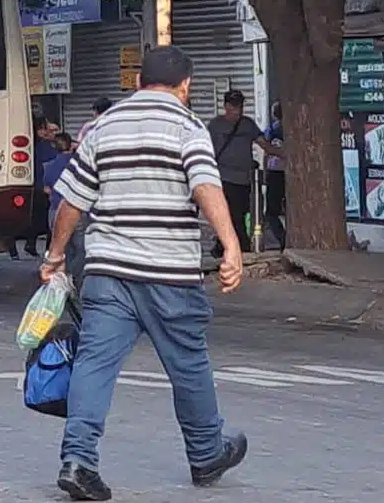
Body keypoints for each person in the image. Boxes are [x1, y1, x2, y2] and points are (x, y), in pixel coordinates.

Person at [45, 46, 247, 501]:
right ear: (186, 85)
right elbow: (205, 186)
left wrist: (55, 255)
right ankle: (206, 452)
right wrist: (231, 245)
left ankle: (78, 461)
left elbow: (71, 201)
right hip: (169, 274)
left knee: (95, 364)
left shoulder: (104, 127)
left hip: (109, 271)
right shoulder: (187, 127)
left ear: (137, 82)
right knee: (188, 363)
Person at [206, 90, 276, 258]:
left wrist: (283, 153)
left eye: (241, 106)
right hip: (222, 178)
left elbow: (264, 144)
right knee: (230, 214)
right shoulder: (215, 126)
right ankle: (240, 247)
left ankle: (224, 245)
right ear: (226, 106)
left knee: (240, 213)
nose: (238, 110)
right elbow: (205, 149)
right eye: (234, 106)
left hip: (244, 180)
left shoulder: (247, 125)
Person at [40, 132, 85, 288]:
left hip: (55, 211)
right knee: (80, 248)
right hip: (77, 210)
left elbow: (47, 189)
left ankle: (62, 280)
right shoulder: (79, 164)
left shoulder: (49, 166)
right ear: (70, 145)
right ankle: (76, 278)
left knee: (61, 248)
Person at [28, 115, 61, 256]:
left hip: (37, 184)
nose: (50, 133)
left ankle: (32, 243)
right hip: (44, 186)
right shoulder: (44, 147)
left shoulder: (34, 144)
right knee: (47, 220)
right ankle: (47, 248)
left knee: (39, 218)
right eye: (46, 129)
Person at [262, 102, 288, 251]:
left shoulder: (271, 130)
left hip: (274, 172)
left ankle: (283, 238)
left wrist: (265, 171)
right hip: (289, 173)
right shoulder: (293, 129)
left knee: (271, 212)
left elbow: (266, 151)